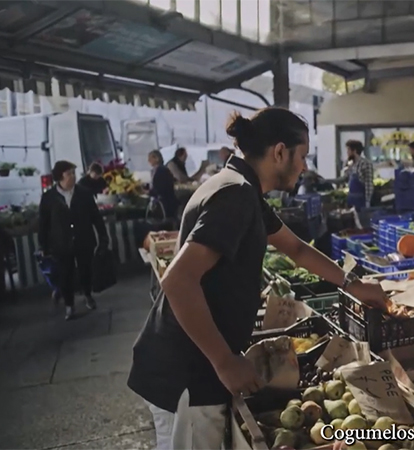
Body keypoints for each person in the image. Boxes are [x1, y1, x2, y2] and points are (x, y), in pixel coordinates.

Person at [127, 107, 386, 450]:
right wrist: (224, 360)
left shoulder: (242, 187)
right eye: (303, 155)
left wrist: (354, 285)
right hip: (188, 373)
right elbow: (178, 280)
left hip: (190, 364)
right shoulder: (235, 196)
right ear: (280, 152)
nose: (305, 166)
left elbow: (296, 249)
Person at [38, 161, 109, 320]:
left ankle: (88, 295)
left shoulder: (84, 193)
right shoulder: (49, 198)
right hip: (61, 242)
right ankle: (69, 305)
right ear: (60, 177)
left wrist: (103, 237)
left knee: (86, 269)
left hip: (84, 238)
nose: (73, 176)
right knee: (65, 274)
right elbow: (43, 223)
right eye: (69, 173)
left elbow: (95, 217)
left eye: (73, 173)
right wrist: (43, 244)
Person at [330, 140, 373, 211]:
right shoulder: (350, 164)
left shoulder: (366, 164)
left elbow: (369, 184)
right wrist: (328, 181)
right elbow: (343, 179)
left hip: (361, 200)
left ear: (354, 151)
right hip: (351, 199)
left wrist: (367, 201)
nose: (347, 153)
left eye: (348, 150)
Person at [148, 150, 180, 222]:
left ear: (157, 158)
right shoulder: (155, 170)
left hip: (165, 202)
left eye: (151, 158)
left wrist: (148, 192)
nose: (149, 160)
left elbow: (161, 187)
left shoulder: (162, 170)